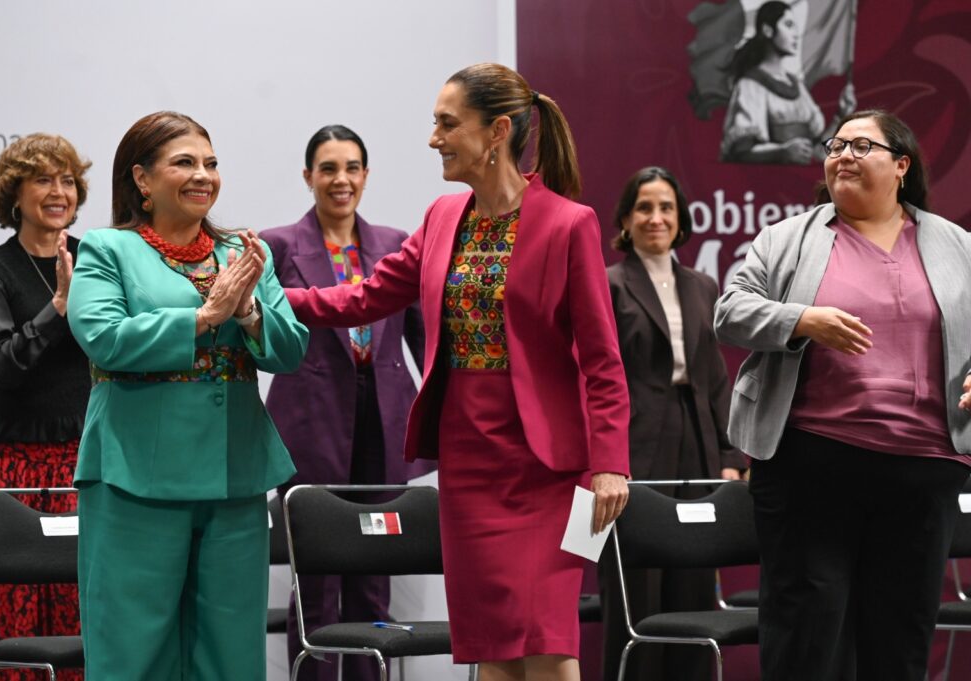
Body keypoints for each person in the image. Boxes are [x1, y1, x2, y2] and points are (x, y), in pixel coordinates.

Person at [284, 63, 630, 681]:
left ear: (496, 131)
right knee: (492, 643)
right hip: (469, 460)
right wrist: (269, 301)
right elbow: (364, 297)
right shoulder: (444, 216)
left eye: (447, 123)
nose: (433, 138)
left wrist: (610, 465)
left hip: (554, 469)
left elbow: (602, 360)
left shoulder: (569, 222)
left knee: (550, 644)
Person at [714, 109, 971, 680]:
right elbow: (729, 312)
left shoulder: (957, 246)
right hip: (812, 463)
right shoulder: (788, 239)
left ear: (901, 165)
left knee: (900, 639)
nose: (843, 155)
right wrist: (800, 319)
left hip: (924, 469)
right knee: (808, 634)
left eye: (862, 145)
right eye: (835, 145)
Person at [67, 111, 309, 681]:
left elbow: (290, 350)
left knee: (231, 654)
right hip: (135, 474)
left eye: (211, 163)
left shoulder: (245, 253)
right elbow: (104, 341)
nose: (203, 175)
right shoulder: (107, 249)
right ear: (143, 181)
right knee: (134, 647)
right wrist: (204, 317)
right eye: (184, 162)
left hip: (234, 473)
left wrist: (247, 311)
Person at [259, 124, 426, 681]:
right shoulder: (277, 245)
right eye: (328, 168)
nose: (341, 180)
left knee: (373, 580)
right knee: (316, 584)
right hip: (310, 425)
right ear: (308, 176)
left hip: (383, 420)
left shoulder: (398, 243)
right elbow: (263, 334)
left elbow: (428, 342)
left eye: (352, 167)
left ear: (366, 175)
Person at [600, 166, 747, 681]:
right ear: (625, 218)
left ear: (681, 217)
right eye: (644, 207)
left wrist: (731, 457)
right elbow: (595, 377)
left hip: (697, 439)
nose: (656, 218)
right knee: (636, 592)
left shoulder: (703, 285)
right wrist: (602, 460)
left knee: (693, 587)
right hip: (634, 445)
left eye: (666, 207)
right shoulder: (609, 284)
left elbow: (715, 379)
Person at [0, 133, 91, 681]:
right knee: (15, 603)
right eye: (42, 179)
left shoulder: (97, 259)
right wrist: (58, 306)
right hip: (22, 466)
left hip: (91, 459)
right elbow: (7, 362)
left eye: (67, 180)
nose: (58, 191)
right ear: (15, 196)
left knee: (86, 601)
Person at [720, 0, 856, 164]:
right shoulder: (750, 85)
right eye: (789, 24)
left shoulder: (796, 85)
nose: (796, 34)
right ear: (768, 30)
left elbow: (818, 153)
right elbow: (742, 152)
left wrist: (841, 115)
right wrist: (782, 152)